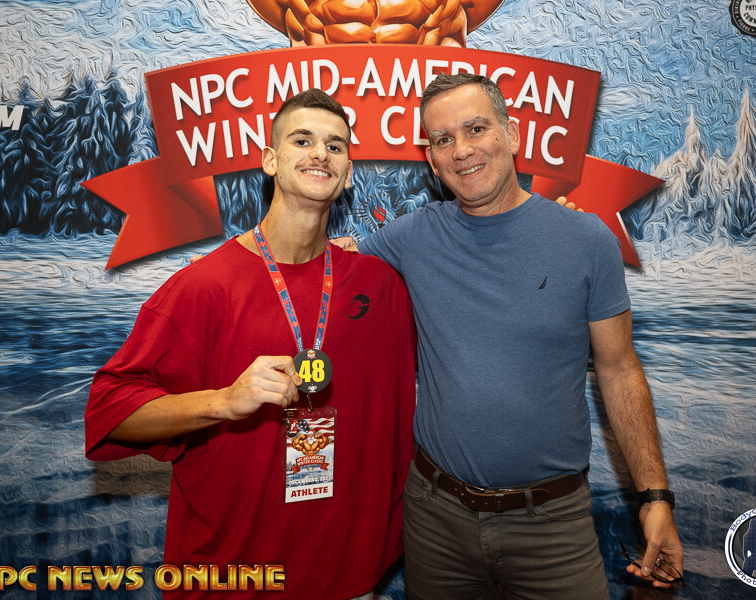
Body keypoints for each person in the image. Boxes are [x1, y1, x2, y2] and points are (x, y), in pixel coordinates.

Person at [353, 73, 683, 598]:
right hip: (436, 521)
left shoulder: (586, 239)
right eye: (443, 139)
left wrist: (655, 497)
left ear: (511, 135)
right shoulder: (412, 236)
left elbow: (620, 369)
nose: (462, 150)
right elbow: (325, 268)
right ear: (432, 160)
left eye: (476, 129)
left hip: (553, 524)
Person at [85, 89, 416, 600]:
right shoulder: (205, 286)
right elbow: (108, 411)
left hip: (348, 574)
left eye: (335, 145)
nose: (320, 153)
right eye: (302, 140)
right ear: (270, 160)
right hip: (236, 576)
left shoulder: (380, 285)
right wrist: (222, 402)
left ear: (348, 173)